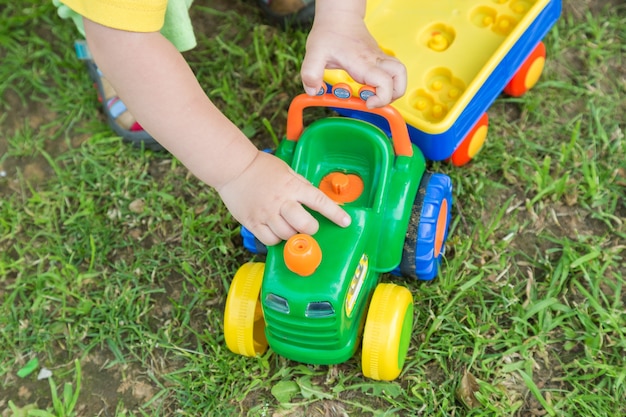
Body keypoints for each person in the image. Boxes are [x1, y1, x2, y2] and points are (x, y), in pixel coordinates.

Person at [56, 0, 407, 246]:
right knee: (119, 26)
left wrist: (341, 18)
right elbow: (126, 45)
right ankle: (110, 64)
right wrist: (239, 171)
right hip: (122, 33)